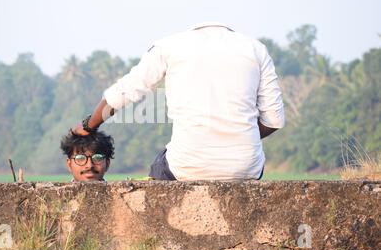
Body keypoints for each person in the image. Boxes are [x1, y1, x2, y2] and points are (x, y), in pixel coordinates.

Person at [73, 22, 285, 181]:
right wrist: (235, 134)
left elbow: (126, 91)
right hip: (246, 167)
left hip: (188, 165)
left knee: (159, 168)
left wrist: (87, 125)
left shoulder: (169, 46)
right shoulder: (256, 49)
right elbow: (274, 120)